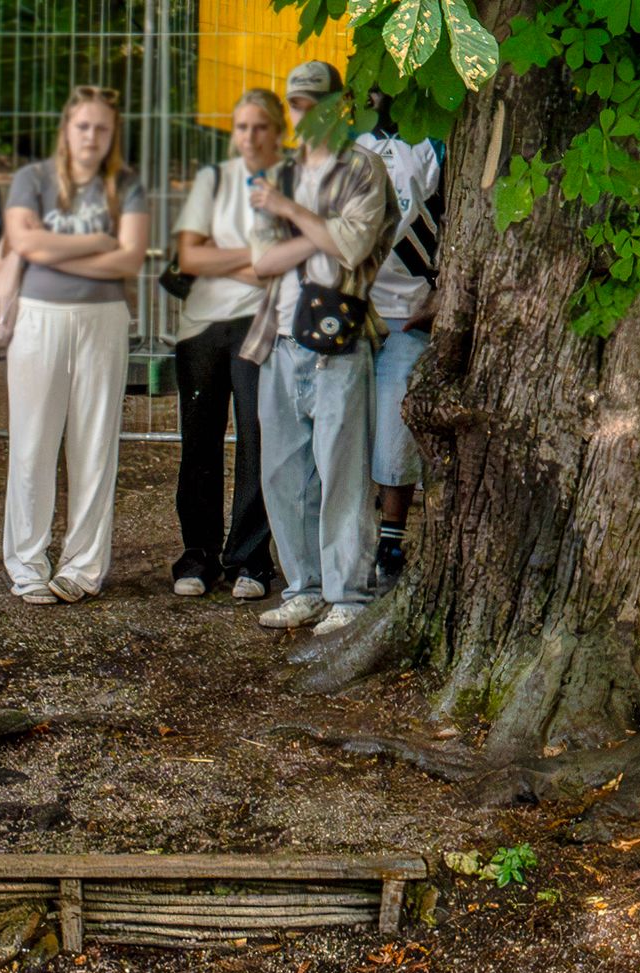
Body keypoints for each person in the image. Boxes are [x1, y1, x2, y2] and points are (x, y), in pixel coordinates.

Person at [239, 59, 393, 636]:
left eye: (313, 103)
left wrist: (290, 216)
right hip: (278, 337)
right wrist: (314, 231)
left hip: (340, 336)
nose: (304, 114)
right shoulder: (279, 171)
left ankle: (348, 593)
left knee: (342, 472)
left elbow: (353, 247)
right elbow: (262, 262)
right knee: (283, 472)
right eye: (296, 104)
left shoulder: (363, 168)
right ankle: (302, 587)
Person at [0, 89, 147, 604]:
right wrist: (97, 245)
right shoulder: (33, 180)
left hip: (102, 322)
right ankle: (27, 565)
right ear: (67, 128)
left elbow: (129, 262)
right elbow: (25, 243)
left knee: (94, 445)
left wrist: (57, 253)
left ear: (113, 135)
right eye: (83, 126)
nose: (91, 137)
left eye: (102, 129)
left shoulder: (124, 185)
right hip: (39, 321)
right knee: (33, 443)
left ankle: (82, 567)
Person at [164, 90, 280, 602]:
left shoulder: (290, 185)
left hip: (261, 323)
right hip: (202, 326)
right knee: (200, 440)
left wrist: (225, 257)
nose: (249, 136)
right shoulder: (213, 182)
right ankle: (198, 554)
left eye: (260, 126)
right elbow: (188, 256)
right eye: (241, 127)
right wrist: (252, 258)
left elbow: (282, 263)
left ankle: (251, 557)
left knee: (258, 439)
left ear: (277, 131)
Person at [351, 93, 439, 591]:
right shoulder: (350, 144)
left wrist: (445, 288)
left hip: (408, 315)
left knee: (393, 428)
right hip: (355, 315)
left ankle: (391, 540)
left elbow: (452, 219)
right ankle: (350, 544)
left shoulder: (433, 145)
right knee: (348, 432)